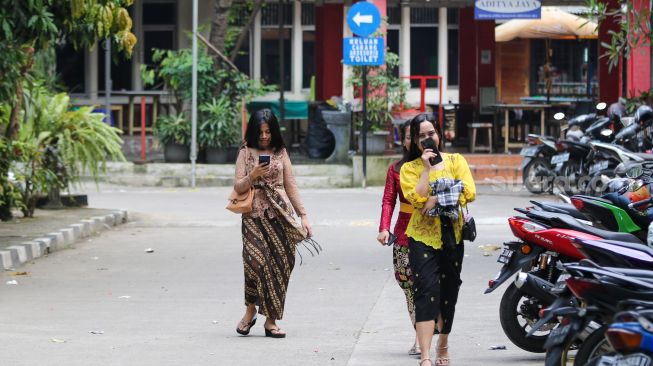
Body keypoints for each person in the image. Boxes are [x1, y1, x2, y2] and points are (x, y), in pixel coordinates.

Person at [399, 113, 476, 366]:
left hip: (452, 235)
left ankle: (443, 344)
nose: (427, 139)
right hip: (421, 236)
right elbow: (416, 199)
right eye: (420, 136)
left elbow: (469, 192)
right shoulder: (409, 168)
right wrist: (429, 171)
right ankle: (425, 356)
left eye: (430, 133)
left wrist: (435, 198)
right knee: (426, 290)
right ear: (415, 142)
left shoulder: (456, 160)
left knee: (449, 291)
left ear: (439, 135)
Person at [232, 109, 316, 338]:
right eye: (261, 132)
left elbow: (291, 184)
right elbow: (238, 187)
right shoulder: (245, 152)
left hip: (280, 214)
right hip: (253, 215)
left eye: (268, 132)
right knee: (255, 263)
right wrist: (254, 175)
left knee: (280, 266)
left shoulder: (281, 152)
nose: (265, 136)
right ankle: (250, 310)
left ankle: (271, 321)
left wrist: (304, 216)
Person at [376, 121, 420, 356]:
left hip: (433, 235)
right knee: (407, 283)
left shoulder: (438, 167)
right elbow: (388, 201)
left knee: (430, 286)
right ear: (402, 140)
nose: (413, 141)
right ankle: (419, 332)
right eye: (408, 136)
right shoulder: (395, 169)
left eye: (417, 136)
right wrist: (384, 228)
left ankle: (426, 339)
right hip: (403, 234)